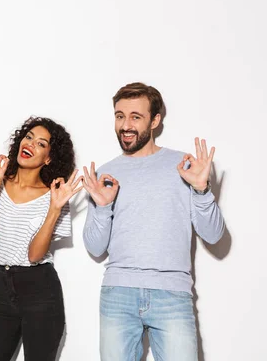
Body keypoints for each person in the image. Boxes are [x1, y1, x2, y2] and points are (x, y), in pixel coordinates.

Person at [82, 82, 224, 361]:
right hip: (118, 293)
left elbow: (214, 235)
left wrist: (201, 189)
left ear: (155, 121)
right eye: (119, 115)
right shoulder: (106, 173)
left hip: (172, 294)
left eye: (136, 116)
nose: (125, 125)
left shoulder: (184, 166)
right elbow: (95, 248)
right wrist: (102, 207)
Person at [0, 117, 82, 361]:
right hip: (1, 289)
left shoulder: (55, 196)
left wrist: (54, 210)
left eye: (41, 144)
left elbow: (34, 255)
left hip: (40, 293)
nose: (30, 144)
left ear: (49, 158)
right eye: (29, 137)